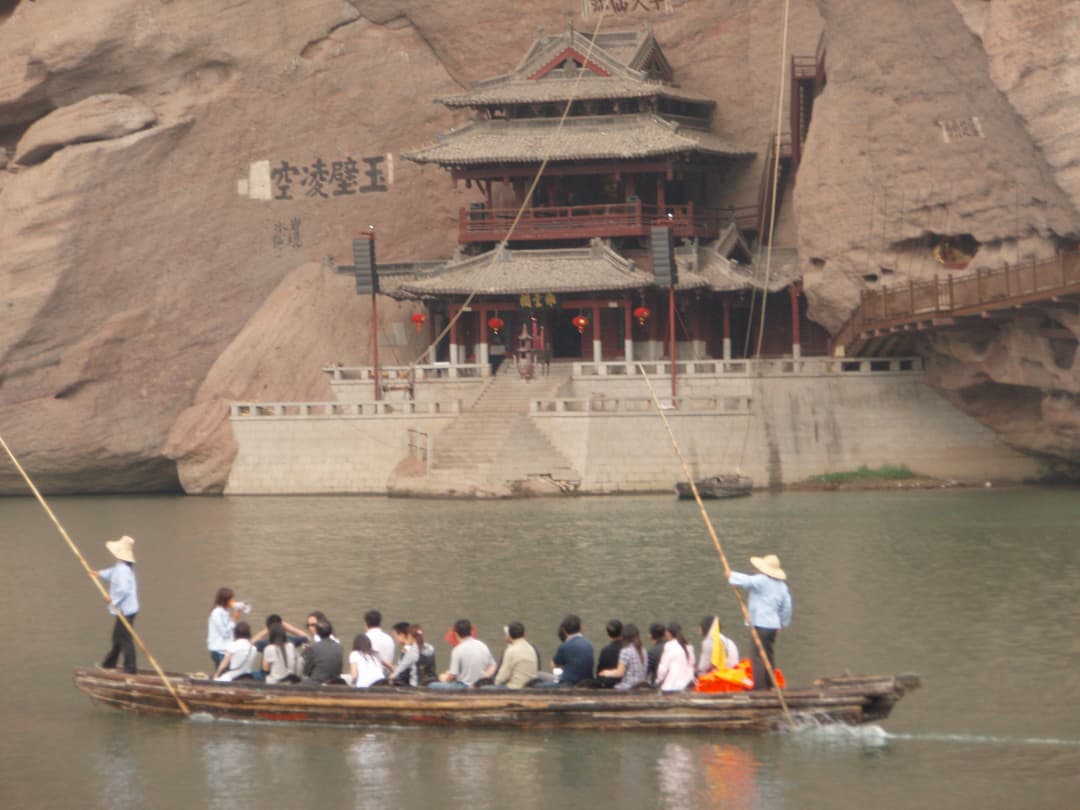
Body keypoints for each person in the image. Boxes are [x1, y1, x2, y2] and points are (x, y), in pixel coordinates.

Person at [728, 554, 792, 690]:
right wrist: (782, 623)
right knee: (768, 655)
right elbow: (787, 607)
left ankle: (760, 687)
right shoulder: (782, 586)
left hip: (761, 625)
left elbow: (747, 581)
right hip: (773, 627)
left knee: (757, 655)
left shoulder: (763, 580)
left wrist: (731, 575)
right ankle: (770, 684)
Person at [97, 535, 139, 674]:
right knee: (117, 637)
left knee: (124, 639)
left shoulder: (123, 570)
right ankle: (109, 663)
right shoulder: (120, 567)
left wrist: (112, 599)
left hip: (126, 611)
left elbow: (122, 590)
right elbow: (110, 573)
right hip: (124, 610)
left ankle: (130, 669)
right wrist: (98, 574)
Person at [432, 619, 496, 688]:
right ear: (471, 631)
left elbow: (453, 676)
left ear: (456, 634)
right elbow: (493, 666)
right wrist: (482, 680)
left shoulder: (457, 650)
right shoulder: (483, 645)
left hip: (464, 686)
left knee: (432, 685)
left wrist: (444, 678)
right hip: (480, 685)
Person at [597, 623, 649, 690]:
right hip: (642, 685)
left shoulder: (625, 651)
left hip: (629, 686)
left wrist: (606, 672)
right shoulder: (643, 650)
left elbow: (620, 673)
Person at [389, 622, 437, 687]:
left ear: (409, 636)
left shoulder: (412, 652)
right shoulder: (430, 648)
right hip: (431, 681)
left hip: (416, 685)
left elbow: (398, 671)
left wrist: (390, 678)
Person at [207, 587, 245, 668]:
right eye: (231, 599)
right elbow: (225, 633)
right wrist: (234, 620)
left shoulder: (225, 612)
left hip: (226, 649)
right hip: (219, 649)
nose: (233, 601)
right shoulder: (217, 613)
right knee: (222, 674)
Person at [493, 621, 539, 689]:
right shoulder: (531, 648)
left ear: (509, 636)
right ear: (524, 634)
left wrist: (495, 683)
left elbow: (502, 677)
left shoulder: (511, 650)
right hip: (530, 686)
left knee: (485, 688)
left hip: (515, 689)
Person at [552, 614, 594, 686]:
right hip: (587, 684)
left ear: (564, 630)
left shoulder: (564, 646)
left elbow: (554, 665)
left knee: (537, 682)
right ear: (581, 628)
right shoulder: (589, 644)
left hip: (568, 684)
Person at [301, 618, 344, 684]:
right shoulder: (339, 647)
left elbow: (306, 671)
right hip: (334, 682)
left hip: (317, 682)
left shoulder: (313, 648)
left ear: (317, 632)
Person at [656, 622, 696, 693]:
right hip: (686, 685)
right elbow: (691, 666)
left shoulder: (669, 646)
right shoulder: (689, 647)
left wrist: (658, 680)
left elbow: (663, 667)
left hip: (672, 686)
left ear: (668, 633)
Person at [595, 619, 623, 688]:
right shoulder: (627, 650)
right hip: (623, 683)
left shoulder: (605, 651)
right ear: (622, 631)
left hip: (608, 685)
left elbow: (599, 672)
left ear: (608, 634)